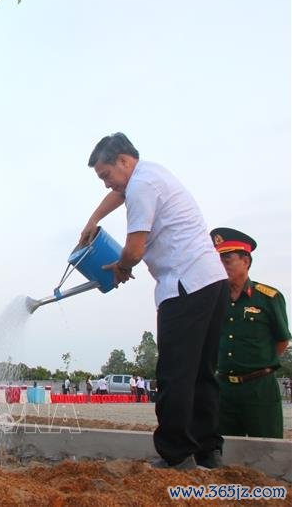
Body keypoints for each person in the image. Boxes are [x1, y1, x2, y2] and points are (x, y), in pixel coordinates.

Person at [80, 132, 228, 470]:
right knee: (203, 372)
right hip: (211, 281)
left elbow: (134, 249)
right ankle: (208, 451)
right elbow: (118, 193)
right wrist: (93, 220)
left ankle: (176, 455)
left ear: (124, 161)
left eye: (105, 175)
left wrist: (120, 268)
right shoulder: (150, 173)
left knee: (176, 373)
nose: (105, 185)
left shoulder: (142, 188)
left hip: (185, 285)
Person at [210, 227, 291, 438]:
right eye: (218, 260)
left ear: (245, 261)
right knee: (223, 451)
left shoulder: (268, 297)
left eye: (227, 260)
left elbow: (282, 340)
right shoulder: (215, 299)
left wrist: (257, 363)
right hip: (224, 388)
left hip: (259, 388)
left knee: (266, 450)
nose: (222, 266)